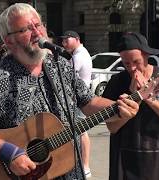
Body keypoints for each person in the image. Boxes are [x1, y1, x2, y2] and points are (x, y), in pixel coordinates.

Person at [0, 3, 139, 180]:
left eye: (38, 25)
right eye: (26, 29)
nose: (37, 32)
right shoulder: (2, 77)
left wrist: (118, 108)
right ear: (9, 40)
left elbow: (88, 102)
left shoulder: (60, 65)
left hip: (69, 170)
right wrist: (8, 152)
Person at [102, 32, 159, 180]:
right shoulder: (116, 82)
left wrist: (148, 98)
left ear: (146, 56)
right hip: (123, 159)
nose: (132, 68)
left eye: (136, 61)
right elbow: (112, 127)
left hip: (157, 159)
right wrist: (136, 98)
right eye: (126, 63)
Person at [61, 30, 93, 178]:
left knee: (81, 132)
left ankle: (85, 165)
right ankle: (83, 165)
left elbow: (64, 75)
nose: (64, 43)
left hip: (79, 99)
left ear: (77, 39)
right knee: (81, 132)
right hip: (79, 98)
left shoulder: (78, 56)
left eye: (67, 39)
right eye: (63, 40)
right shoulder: (80, 53)